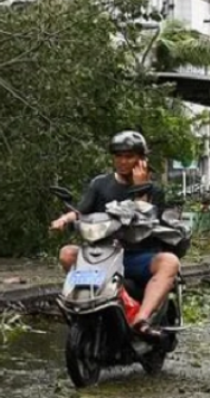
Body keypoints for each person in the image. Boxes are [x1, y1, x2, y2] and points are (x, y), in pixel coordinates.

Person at [50, 130, 180, 340]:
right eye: (118, 156)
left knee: (170, 262)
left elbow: (146, 221)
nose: (122, 161)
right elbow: (81, 211)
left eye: (129, 156)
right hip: (104, 255)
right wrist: (64, 220)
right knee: (67, 253)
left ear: (141, 159)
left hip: (136, 258)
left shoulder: (154, 190)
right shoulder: (100, 184)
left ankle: (142, 319)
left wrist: (140, 188)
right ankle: (81, 303)